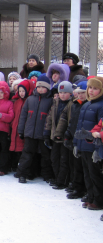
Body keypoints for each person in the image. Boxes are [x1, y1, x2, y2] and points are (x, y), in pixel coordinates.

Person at [16, 74, 54, 184]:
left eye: (43, 87)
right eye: (39, 87)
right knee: (27, 154)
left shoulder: (50, 101)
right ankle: (23, 173)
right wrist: (21, 130)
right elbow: (23, 116)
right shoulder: (30, 99)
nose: (41, 89)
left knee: (45, 155)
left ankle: (47, 175)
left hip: (43, 134)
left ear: (47, 88)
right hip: (29, 132)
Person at [72, 76, 103, 210]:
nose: (91, 91)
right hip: (84, 145)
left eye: (95, 88)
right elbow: (80, 127)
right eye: (90, 88)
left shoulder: (101, 105)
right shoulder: (86, 104)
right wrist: (76, 144)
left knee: (95, 175)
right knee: (87, 173)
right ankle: (90, 197)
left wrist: (97, 147)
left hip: (93, 146)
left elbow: (99, 127)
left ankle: (98, 200)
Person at [55, 81, 87, 199]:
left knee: (84, 166)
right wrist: (68, 134)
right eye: (78, 93)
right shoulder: (75, 105)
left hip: (85, 139)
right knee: (75, 164)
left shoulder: (87, 105)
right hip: (74, 137)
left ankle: (84, 189)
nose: (80, 95)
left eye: (83, 93)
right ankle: (76, 186)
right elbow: (72, 122)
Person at [43, 81, 73, 189]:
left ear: (70, 93)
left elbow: (71, 121)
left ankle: (62, 181)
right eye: (61, 92)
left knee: (64, 160)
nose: (62, 95)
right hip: (55, 136)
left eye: (65, 92)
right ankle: (57, 178)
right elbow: (50, 119)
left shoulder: (72, 104)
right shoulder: (55, 103)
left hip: (65, 137)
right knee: (54, 158)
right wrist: (47, 133)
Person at [10, 79, 35, 172]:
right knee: (16, 149)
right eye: (19, 91)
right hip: (15, 129)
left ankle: (24, 169)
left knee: (24, 151)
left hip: (24, 130)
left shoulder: (30, 101)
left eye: (23, 91)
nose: (21, 93)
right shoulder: (16, 102)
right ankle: (16, 166)